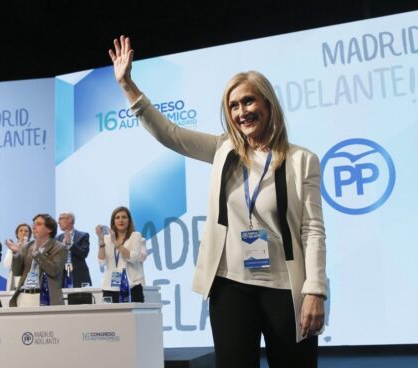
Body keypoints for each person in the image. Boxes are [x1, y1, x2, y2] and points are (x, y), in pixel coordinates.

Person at [109, 36, 327, 367]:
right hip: (230, 288)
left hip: (285, 289)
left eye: (249, 102)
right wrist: (127, 85)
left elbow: (312, 230)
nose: (242, 112)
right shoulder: (224, 150)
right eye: (234, 106)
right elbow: (170, 134)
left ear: (268, 105)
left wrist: (315, 290)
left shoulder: (302, 160)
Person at [8, 214, 68, 307]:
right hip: (24, 297)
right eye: (34, 224)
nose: (34, 227)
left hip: (45, 297)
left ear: (49, 229)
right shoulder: (27, 246)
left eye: (39, 224)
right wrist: (16, 254)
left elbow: (54, 271)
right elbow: (16, 272)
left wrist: (37, 254)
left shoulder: (60, 248)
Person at [95, 206, 146, 303]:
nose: (121, 220)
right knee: (111, 318)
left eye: (124, 217)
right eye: (117, 217)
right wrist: (101, 241)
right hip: (110, 288)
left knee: (131, 318)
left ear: (129, 220)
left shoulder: (135, 236)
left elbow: (133, 258)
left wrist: (116, 243)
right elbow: (101, 262)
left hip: (131, 286)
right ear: (113, 221)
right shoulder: (107, 238)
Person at [56, 212, 92, 287]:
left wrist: (70, 244)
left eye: (61, 219)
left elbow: (83, 254)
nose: (58, 222)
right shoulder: (58, 238)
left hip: (78, 277)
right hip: (62, 278)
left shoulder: (83, 235)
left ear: (70, 220)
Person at [3, 223, 32, 290]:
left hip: (29, 282)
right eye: (21, 230)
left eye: (26, 231)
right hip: (15, 282)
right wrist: (14, 251)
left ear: (30, 234)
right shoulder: (12, 247)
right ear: (17, 234)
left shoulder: (33, 247)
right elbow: (7, 264)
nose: (23, 232)